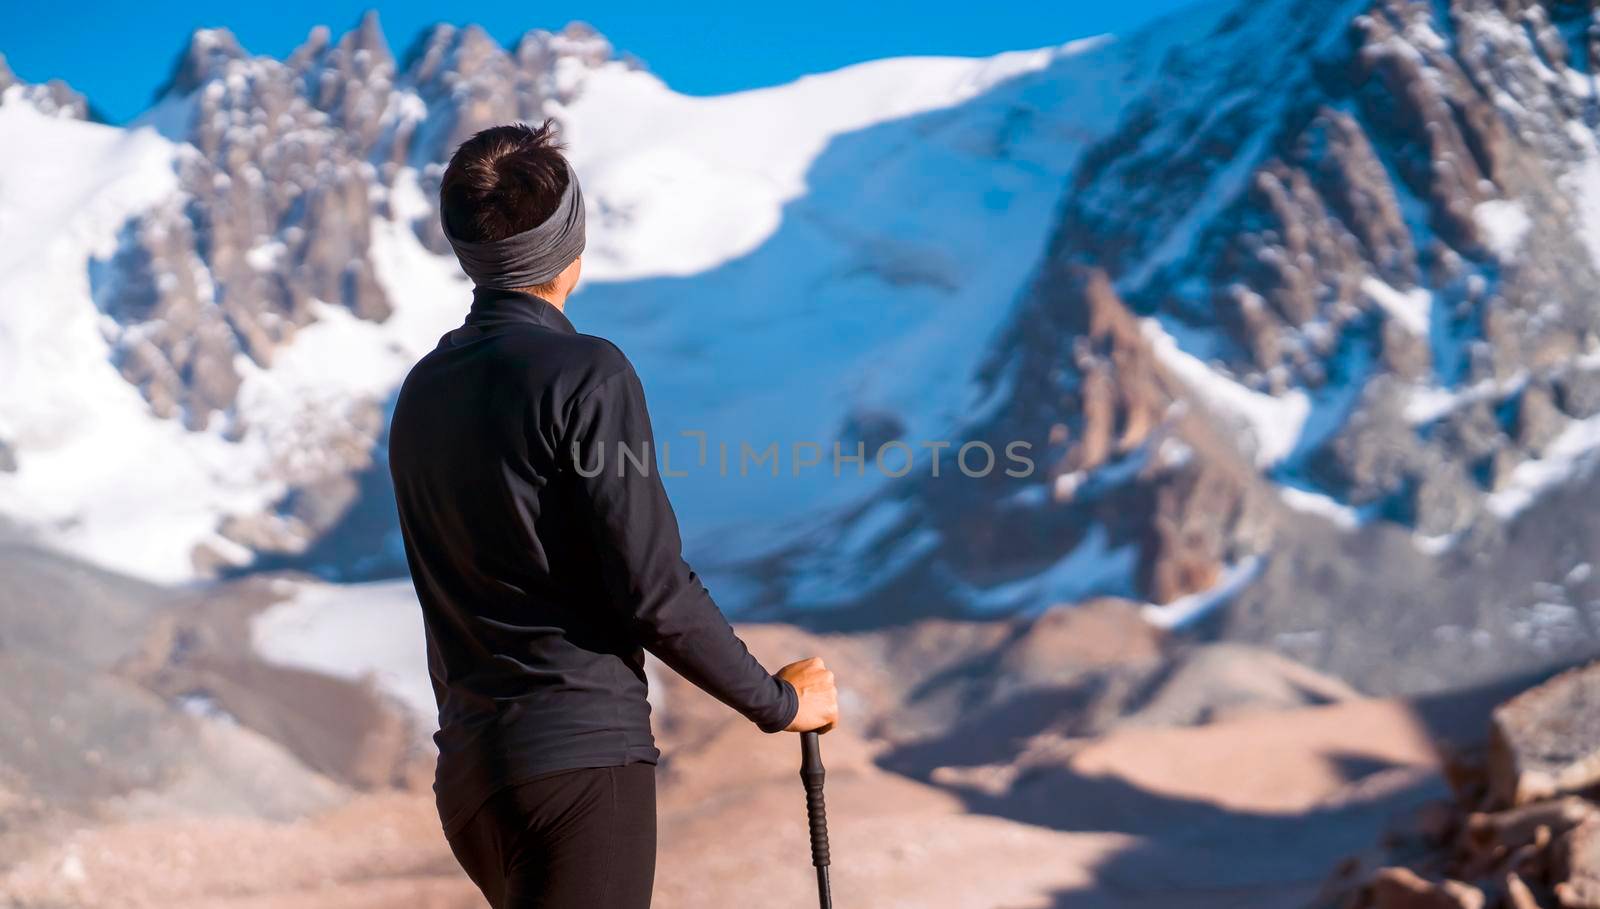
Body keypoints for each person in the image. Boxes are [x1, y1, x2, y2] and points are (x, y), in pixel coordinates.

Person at [387, 121, 839, 909]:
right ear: (573, 241)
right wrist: (780, 702)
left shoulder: (423, 390)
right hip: (580, 768)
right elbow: (651, 586)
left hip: (472, 780)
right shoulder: (585, 373)